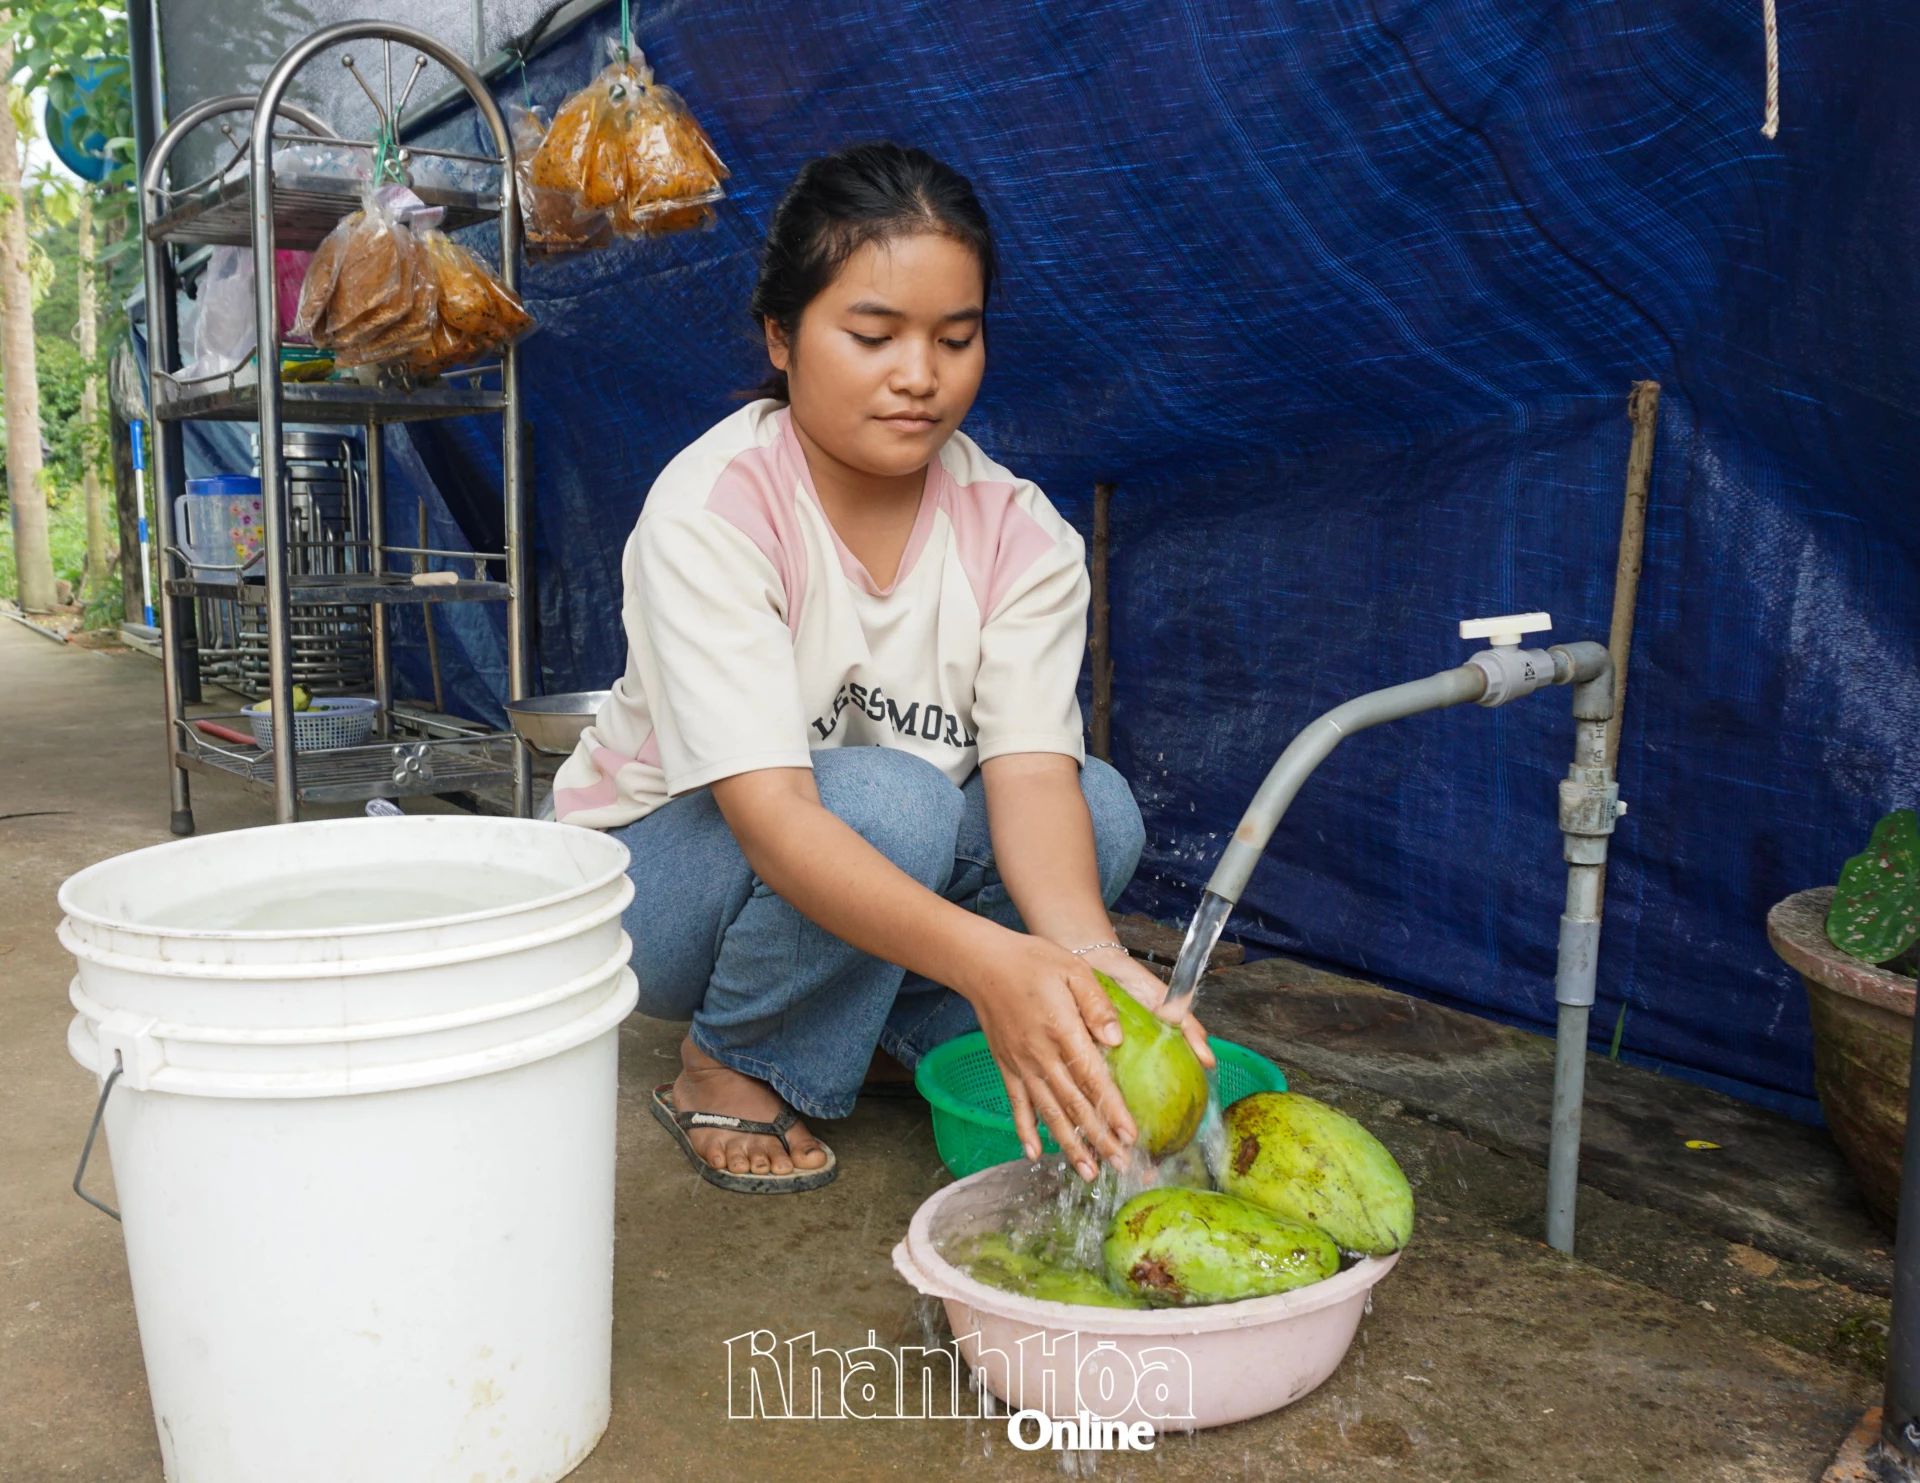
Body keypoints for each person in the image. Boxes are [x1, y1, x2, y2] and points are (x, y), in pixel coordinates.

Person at [552, 141, 1210, 1194]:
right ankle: (730, 1058)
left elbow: (1030, 776)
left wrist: (1094, 961)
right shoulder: (716, 508)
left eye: (956, 338)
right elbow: (775, 817)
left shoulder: (1021, 533)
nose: (919, 375)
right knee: (894, 804)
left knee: (1100, 810)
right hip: (659, 892)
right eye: (873, 335)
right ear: (782, 335)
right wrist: (988, 958)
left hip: (872, 845)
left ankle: (885, 1030)